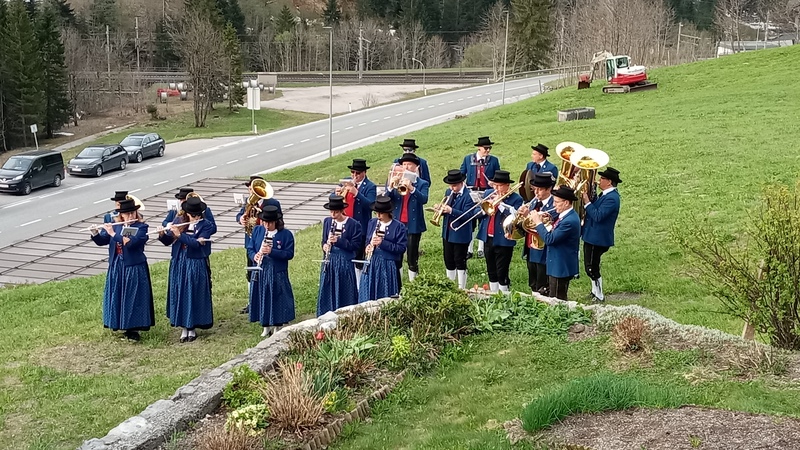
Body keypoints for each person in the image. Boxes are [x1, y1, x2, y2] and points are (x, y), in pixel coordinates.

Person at [90, 198, 155, 342]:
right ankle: (119, 323)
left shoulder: (141, 227)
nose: (131, 216)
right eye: (127, 214)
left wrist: (113, 233)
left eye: (133, 213)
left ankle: (134, 328)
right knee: (118, 294)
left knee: (133, 296)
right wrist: (95, 233)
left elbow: (131, 244)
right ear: (121, 215)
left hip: (133, 266)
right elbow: (102, 241)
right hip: (117, 265)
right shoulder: (116, 225)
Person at [157, 196, 215, 342]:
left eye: (198, 215)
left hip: (195, 262)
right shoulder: (179, 221)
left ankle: (193, 328)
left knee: (193, 292)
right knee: (180, 291)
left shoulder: (205, 225)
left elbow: (196, 244)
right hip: (179, 261)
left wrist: (180, 235)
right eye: (193, 215)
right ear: (187, 213)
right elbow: (168, 241)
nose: (195, 217)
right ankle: (184, 327)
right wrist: (162, 234)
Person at [236, 175, 283, 314]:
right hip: (252, 242)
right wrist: (241, 219)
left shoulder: (273, 202)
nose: (251, 191)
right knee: (251, 273)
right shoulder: (248, 202)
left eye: (252, 189)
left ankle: (268, 299)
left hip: (267, 241)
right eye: (250, 189)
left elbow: (280, 221)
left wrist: (263, 215)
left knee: (268, 271)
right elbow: (239, 215)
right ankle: (252, 301)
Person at [247, 205, 295, 337]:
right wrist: (254, 255)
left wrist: (272, 252)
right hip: (262, 270)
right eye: (264, 222)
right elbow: (250, 248)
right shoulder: (257, 231)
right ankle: (265, 324)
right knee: (263, 296)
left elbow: (289, 254)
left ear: (276, 222)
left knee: (277, 297)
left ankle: (278, 325)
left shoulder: (286, 235)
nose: (266, 226)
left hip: (277, 271)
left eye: (269, 223)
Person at [530, 186, 581, 300]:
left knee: (558, 300)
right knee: (554, 297)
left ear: (566, 202)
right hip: (557, 265)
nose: (553, 205)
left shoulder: (569, 220)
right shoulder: (565, 217)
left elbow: (550, 239)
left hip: (561, 266)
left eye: (557, 202)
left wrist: (538, 222)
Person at [476, 170, 523, 293]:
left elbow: (515, 216)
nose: (496, 188)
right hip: (488, 237)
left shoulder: (516, 199)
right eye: (495, 185)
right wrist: (485, 207)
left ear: (507, 185)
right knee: (491, 269)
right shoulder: (488, 193)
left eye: (499, 185)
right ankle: (493, 294)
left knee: (502, 271)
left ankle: (504, 296)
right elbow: (477, 213)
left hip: (504, 239)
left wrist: (501, 204)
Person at [316, 195, 362, 316]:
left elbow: (355, 246)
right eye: (331, 212)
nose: (333, 215)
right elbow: (323, 240)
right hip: (330, 261)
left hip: (345, 262)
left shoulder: (353, 224)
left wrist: (339, 241)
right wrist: (324, 246)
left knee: (345, 290)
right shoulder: (327, 222)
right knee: (327, 288)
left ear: (341, 211)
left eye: (336, 212)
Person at [581, 167, 622, 303]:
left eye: (602, 178)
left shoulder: (612, 198)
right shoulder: (605, 194)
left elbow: (598, 216)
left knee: (592, 268)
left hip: (597, 238)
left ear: (609, 182)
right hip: (591, 235)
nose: (599, 181)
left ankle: (599, 295)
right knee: (590, 266)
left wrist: (587, 202)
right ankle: (594, 291)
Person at [386, 152, 429, 282]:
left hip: (413, 224)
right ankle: (397, 283)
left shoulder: (422, 183)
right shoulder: (397, 179)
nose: (406, 167)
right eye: (404, 164)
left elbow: (424, 199)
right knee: (397, 255)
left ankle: (412, 282)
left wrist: (412, 188)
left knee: (412, 255)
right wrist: (390, 186)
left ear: (416, 167)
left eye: (409, 164)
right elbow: (388, 199)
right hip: (398, 223)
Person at [358, 195, 408, 302]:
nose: (378, 216)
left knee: (385, 295)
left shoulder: (399, 227)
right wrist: (367, 246)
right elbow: (367, 239)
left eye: (380, 213)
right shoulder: (372, 223)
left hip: (388, 265)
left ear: (388, 213)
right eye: (376, 213)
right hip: (372, 263)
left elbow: (401, 248)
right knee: (369, 293)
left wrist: (383, 243)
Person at [336, 159, 377, 285]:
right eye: (353, 172)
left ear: (364, 172)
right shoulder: (346, 183)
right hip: (346, 224)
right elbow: (338, 204)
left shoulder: (370, 186)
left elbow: (371, 205)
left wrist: (357, 193)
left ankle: (359, 284)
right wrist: (336, 195)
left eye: (358, 173)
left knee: (358, 258)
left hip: (361, 226)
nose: (354, 175)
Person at [460, 136, 501, 259]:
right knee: (471, 218)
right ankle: (469, 248)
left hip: (486, 192)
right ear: (479, 148)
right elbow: (462, 174)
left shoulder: (493, 160)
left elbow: (497, 177)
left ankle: (481, 248)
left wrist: (493, 183)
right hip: (472, 192)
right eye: (486, 148)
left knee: (483, 218)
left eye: (489, 148)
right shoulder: (468, 159)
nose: (488, 150)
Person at [517, 173, 558, 295]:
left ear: (549, 189)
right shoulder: (534, 202)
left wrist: (528, 215)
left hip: (543, 249)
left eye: (540, 189)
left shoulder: (554, 205)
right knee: (532, 280)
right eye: (535, 189)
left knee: (542, 281)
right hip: (531, 247)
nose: (536, 193)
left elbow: (547, 224)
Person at [437, 169, 477, 289]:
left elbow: (469, 215)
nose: (452, 188)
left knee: (460, 261)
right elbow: (446, 208)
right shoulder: (448, 192)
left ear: (462, 183)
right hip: (448, 233)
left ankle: (461, 287)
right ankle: (450, 285)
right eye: (450, 185)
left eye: (454, 185)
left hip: (461, 234)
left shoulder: (469, 196)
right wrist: (440, 209)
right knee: (448, 260)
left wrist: (451, 210)